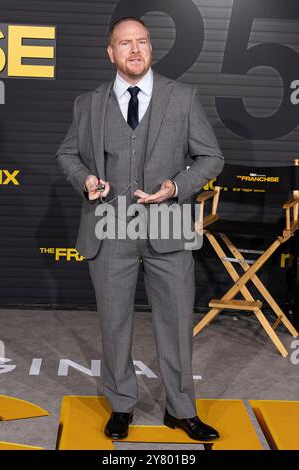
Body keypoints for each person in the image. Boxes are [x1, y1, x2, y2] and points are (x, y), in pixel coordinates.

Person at [55, 16, 224, 441]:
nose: (134, 49)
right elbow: (68, 154)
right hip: (109, 224)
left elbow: (211, 158)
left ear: (151, 48)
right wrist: (87, 181)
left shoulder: (182, 97)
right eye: (124, 43)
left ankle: (181, 409)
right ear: (110, 53)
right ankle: (122, 404)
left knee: (176, 323)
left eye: (142, 42)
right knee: (114, 323)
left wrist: (175, 186)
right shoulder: (88, 103)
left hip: (167, 222)